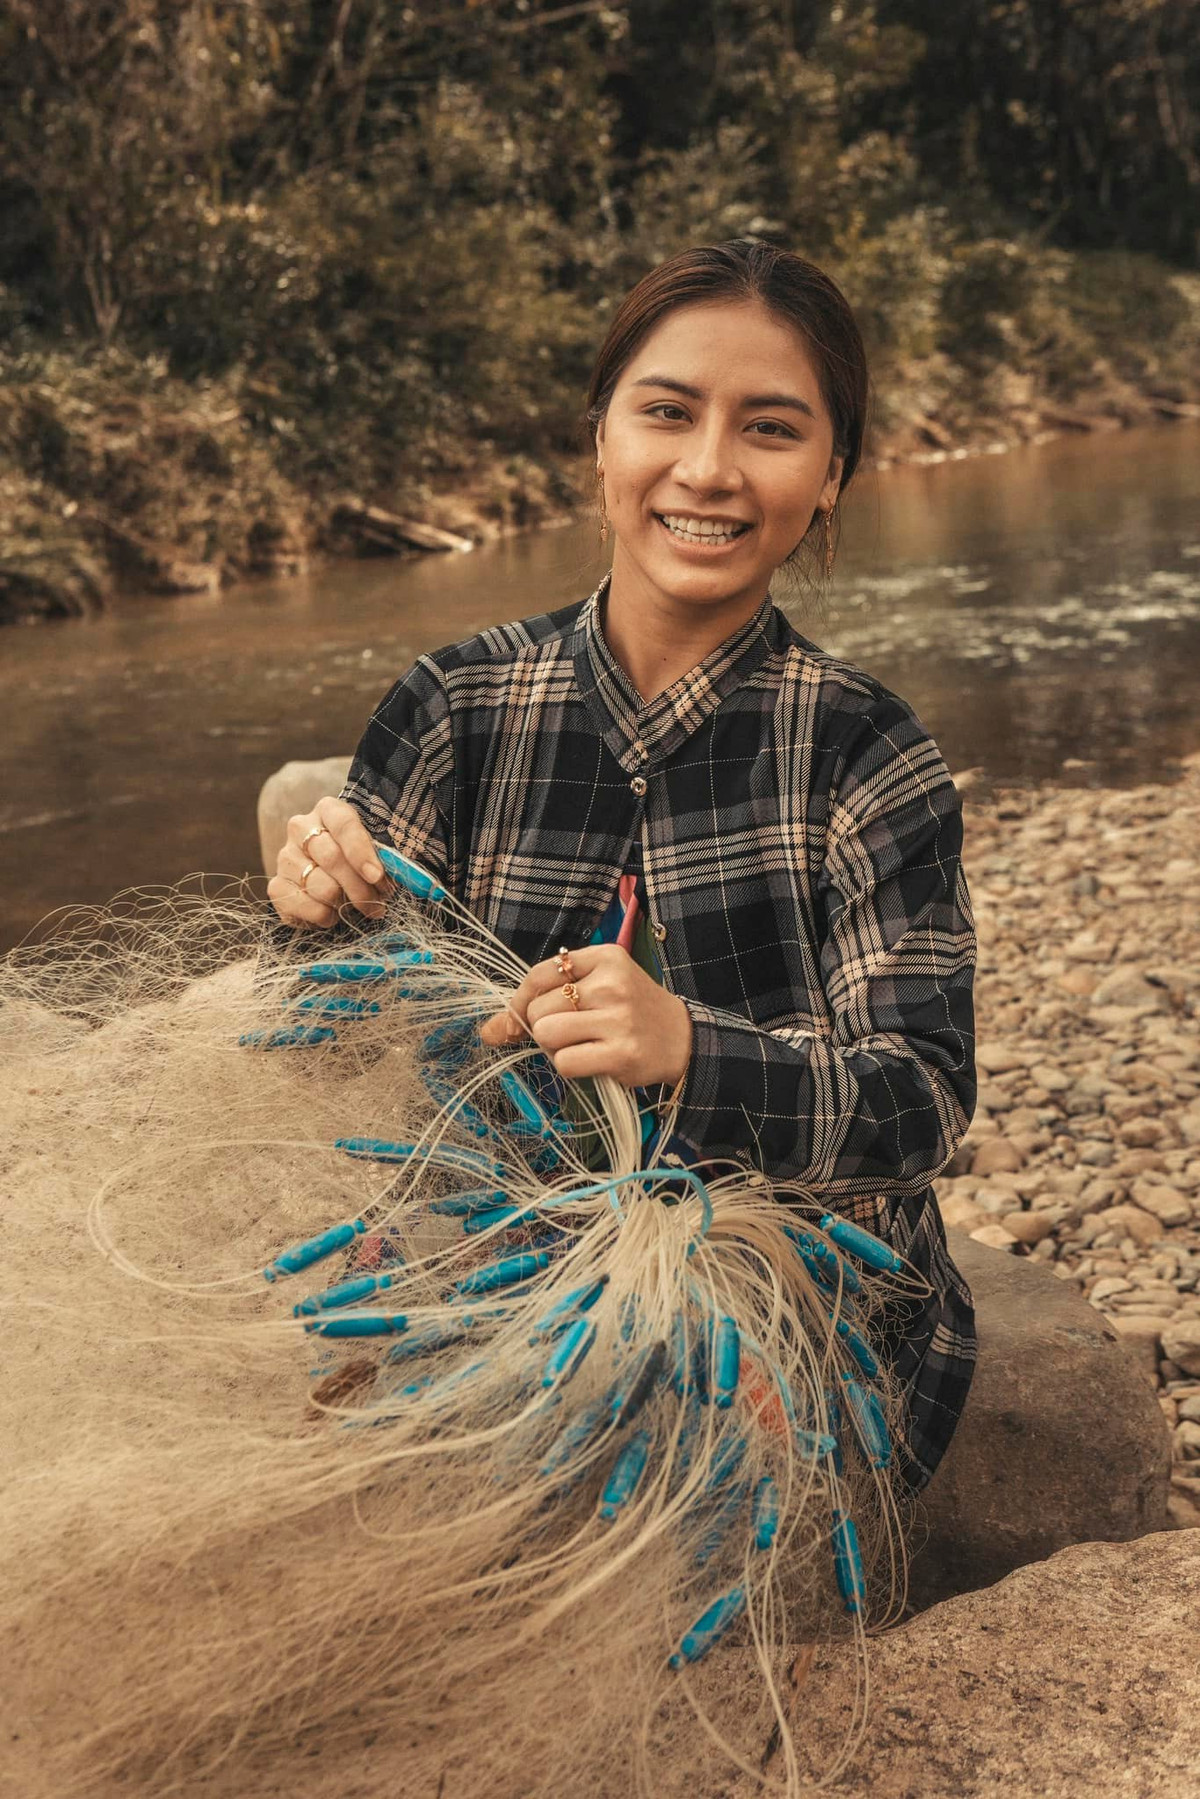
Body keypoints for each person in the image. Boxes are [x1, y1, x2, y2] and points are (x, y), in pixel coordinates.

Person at [266, 239, 978, 1493]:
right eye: (666, 411)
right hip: (503, 1258)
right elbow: (322, 1039)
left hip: (791, 1293)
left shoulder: (867, 746)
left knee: (618, 1470)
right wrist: (318, 911)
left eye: (770, 428)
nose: (707, 469)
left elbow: (918, 1100)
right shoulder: (454, 705)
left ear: (828, 480)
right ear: (600, 438)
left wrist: (693, 1050)